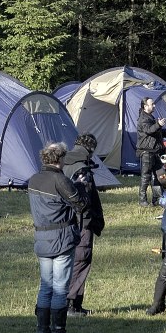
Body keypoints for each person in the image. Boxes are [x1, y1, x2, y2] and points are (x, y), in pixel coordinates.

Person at [28, 142, 87, 333]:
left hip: (42, 238)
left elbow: (53, 202)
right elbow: (80, 204)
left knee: (46, 286)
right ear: (60, 159)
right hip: (62, 238)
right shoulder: (60, 180)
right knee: (61, 287)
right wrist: (79, 185)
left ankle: (42, 332)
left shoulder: (33, 180)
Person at [62, 133, 105, 317]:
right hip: (82, 222)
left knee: (70, 261)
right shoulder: (82, 169)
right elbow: (85, 200)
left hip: (64, 220)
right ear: (91, 149)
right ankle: (71, 304)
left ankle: (75, 304)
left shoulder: (64, 162)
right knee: (82, 259)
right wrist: (92, 219)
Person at [136, 97, 166, 207]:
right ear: (145, 106)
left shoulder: (150, 117)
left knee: (158, 175)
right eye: (152, 104)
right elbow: (149, 130)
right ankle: (142, 200)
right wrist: (159, 124)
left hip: (154, 151)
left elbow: (155, 131)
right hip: (146, 152)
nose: (154, 106)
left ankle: (156, 198)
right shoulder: (143, 118)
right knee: (146, 176)